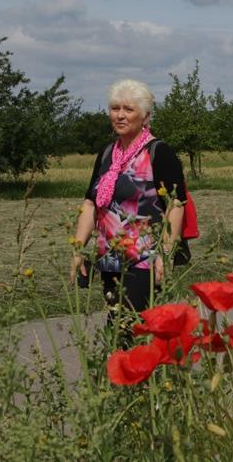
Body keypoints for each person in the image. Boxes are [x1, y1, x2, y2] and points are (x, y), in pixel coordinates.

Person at [70, 79, 186, 342]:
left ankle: (140, 381)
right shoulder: (107, 153)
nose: (120, 115)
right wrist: (78, 248)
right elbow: (91, 202)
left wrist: (165, 254)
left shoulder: (159, 152)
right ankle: (125, 381)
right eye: (115, 108)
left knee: (134, 329)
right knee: (118, 327)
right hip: (110, 258)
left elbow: (176, 205)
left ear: (145, 116)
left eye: (128, 109)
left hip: (144, 259)